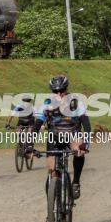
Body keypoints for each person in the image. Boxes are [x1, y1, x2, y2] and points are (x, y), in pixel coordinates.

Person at [27, 75, 90, 204]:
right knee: (52, 172)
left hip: (73, 134)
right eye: (55, 91)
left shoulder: (76, 102)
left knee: (79, 151)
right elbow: (37, 125)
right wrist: (29, 144)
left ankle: (76, 182)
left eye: (61, 90)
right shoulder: (47, 104)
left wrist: (85, 143)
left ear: (66, 89)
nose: (59, 94)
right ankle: (52, 207)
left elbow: (86, 124)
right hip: (54, 136)